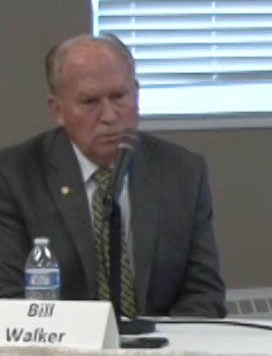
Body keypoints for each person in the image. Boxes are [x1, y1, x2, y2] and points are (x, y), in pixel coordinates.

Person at [0, 34, 226, 316]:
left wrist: (160, 351)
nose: (109, 115)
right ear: (58, 110)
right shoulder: (14, 176)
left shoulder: (183, 172)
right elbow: (9, 298)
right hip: (61, 350)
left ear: (137, 94)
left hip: (160, 349)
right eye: (90, 101)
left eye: (119, 96)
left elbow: (203, 293)